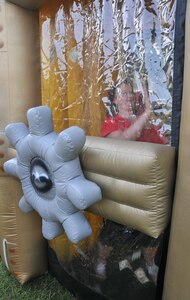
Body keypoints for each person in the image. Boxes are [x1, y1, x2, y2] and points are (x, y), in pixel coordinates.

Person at [101, 79, 168, 144]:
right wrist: (146, 113)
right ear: (115, 100)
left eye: (131, 92)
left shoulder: (144, 119)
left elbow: (164, 138)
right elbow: (122, 141)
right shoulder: (111, 122)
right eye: (124, 93)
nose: (130, 96)